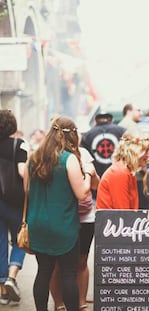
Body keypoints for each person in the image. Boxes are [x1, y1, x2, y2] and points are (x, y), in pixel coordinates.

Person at [25, 116, 96, 311]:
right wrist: (88, 173)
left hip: (38, 223)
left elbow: (26, 190)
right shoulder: (69, 158)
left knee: (44, 271)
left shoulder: (34, 157)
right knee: (69, 273)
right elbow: (82, 193)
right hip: (63, 225)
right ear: (71, 135)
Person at [50, 145, 100, 311]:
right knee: (57, 264)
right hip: (62, 217)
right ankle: (59, 304)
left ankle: (82, 303)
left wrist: (91, 172)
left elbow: (95, 185)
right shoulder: (54, 156)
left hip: (85, 217)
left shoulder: (84, 153)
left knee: (82, 261)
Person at [0, 109, 29, 305]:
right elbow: (22, 172)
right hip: (14, 201)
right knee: (20, 238)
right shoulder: (20, 145)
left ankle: (2, 288)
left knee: (0, 242)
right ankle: (11, 276)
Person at [96, 129, 149, 210]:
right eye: (146, 151)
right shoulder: (120, 173)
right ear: (135, 151)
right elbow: (123, 213)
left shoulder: (126, 171)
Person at [81, 111, 125, 180]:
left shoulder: (87, 135)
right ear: (111, 119)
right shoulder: (122, 131)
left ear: (96, 120)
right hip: (119, 174)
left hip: (99, 176)